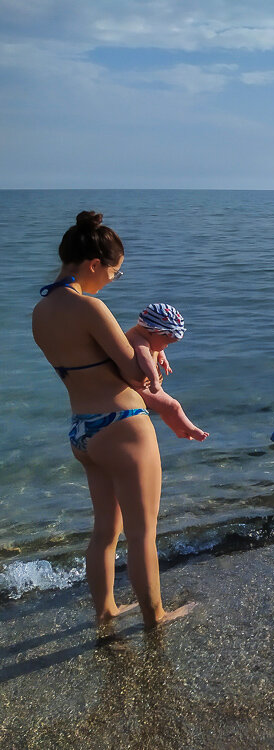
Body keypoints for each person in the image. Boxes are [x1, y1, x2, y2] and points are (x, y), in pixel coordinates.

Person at [32, 211, 193, 629]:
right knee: (142, 533)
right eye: (113, 273)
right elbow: (135, 375)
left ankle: (105, 611)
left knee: (105, 531)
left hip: (82, 431)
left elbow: (88, 366)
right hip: (122, 426)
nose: (109, 281)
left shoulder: (41, 311)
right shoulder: (91, 308)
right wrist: (148, 348)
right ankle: (155, 615)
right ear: (93, 265)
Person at [125, 304, 209, 442]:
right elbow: (145, 359)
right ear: (153, 331)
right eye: (166, 342)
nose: (166, 346)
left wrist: (161, 356)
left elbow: (156, 346)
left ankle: (178, 430)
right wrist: (154, 381)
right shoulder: (139, 341)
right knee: (172, 406)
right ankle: (191, 429)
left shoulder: (145, 336)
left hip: (147, 385)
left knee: (166, 409)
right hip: (143, 388)